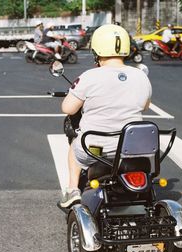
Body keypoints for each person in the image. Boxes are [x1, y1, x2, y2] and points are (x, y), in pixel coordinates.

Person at [59, 24, 152, 208]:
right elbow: (145, 106)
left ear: (97, 51)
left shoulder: (89, 76)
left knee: (74, 150)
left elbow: (68, 108)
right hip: (133, 149)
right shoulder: (140, 76)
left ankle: (72, 190)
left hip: (96, 149)